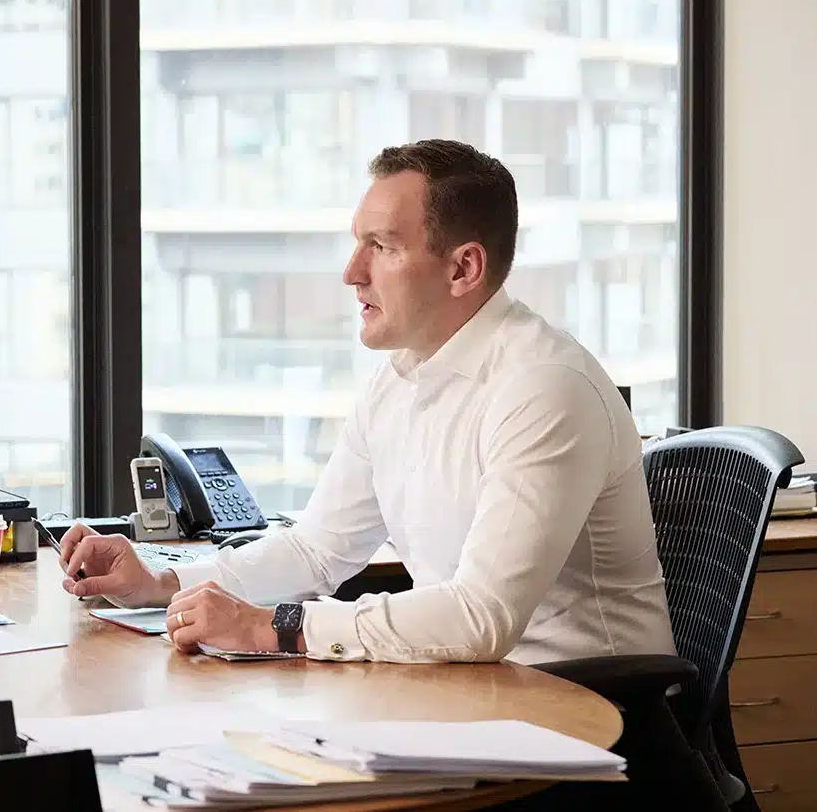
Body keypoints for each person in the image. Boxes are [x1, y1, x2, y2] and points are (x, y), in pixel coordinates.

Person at [60, 139, 677, 666]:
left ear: (463, 268)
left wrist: (273, 628)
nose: (353, 272)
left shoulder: (544, 386)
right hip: (470, 700)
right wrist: (161, 583)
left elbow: (482, 616)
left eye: (382, 246)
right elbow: (316, 549)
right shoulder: (400, 380)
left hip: (590, 724)